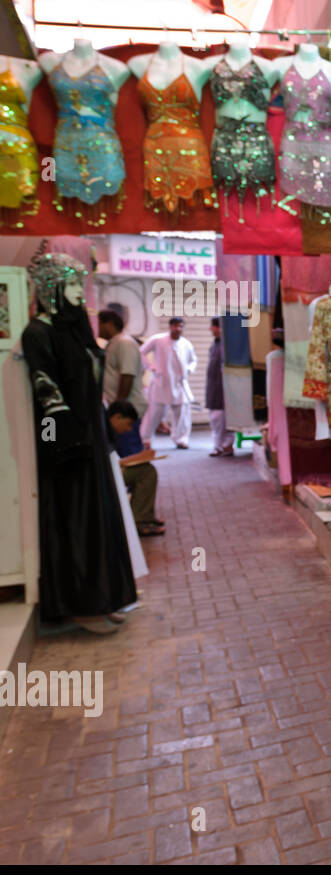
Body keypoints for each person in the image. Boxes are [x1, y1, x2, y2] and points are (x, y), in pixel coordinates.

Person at [21, 250, 136, 634]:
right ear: (49, 287)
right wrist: (57, 448)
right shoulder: (38, 333)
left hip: (91, 440)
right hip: (67, 448)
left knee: (98, 520)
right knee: (74, 521)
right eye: (69, 284)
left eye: (78, 284)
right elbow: (47, 394)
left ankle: (105, 597)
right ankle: (80, 605)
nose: (76, 292)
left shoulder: (73, 329)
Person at [106, 401, 164, 537]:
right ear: (117, 417)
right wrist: (130, 461)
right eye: (128, 424)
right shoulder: (102, 430)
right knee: (147, 473)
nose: (128, 429)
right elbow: (108, 462)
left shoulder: (108, 429)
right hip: (107, 473)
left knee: (145, 469)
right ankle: (140, 520)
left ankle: (143, 516)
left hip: (111, 469)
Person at [140, 316, 196, 449]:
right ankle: (145, 439)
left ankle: (181, 439)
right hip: (161, 383)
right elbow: (141, 352)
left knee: (182, 413)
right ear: (170, 326)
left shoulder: (186, 344)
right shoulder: (158, 339)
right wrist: (151, 367)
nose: (178, 329)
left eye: (180, 326)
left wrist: (189, 369)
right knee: (154, 413)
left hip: (180, 384)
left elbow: (193, 360)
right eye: (175, 326)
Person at [97, 308, 147, 417]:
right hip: (119, 410)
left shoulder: (124, 342)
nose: (96, 328)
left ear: (109, 323)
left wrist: (119, 408)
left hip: (127, 412)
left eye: (99, 323)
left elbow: (127, 375)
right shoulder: (112, 344)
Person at [206, 317, 234, 456]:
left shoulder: (227, 344)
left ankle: (224, 446)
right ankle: (220, 445)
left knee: (224, 419)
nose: (211, 329)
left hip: (224, 388)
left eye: (213, 326)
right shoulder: (215, 344)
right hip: (214, 388)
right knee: (217, 419)